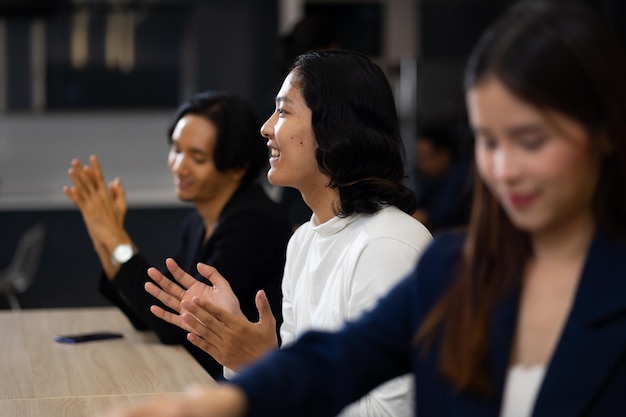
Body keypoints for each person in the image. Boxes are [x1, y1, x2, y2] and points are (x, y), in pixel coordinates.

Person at [97, 1, 626, 416]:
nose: (504, 169)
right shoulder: (452, 264)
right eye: (487, 141)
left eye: (530, 139)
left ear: (605, 134)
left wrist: (253, 362)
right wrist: (219, 390)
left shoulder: (393, 245)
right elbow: (330, 364)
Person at [141, 50, 433, 417]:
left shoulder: (387, 245)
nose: (266, 127)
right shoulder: (304, 240)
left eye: (283, 111)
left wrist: (267, 365)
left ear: (332, 129)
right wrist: (244, 355)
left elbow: (391, 414)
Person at [63, 91, 292, 379]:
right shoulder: (198, 221)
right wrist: (103, 234)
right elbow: (149, 313)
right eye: (176, 149)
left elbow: (176, 326)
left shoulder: (254, 223)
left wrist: (115, 236)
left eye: (196, 157)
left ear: (237, 167)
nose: (178, 165)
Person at [413, 122, 473, 233]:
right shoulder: (429, 177)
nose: (422, 165)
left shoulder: (462, 174)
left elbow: (443, 214)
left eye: (426, 157)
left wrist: (423, 216)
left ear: (444, 155)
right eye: (420, 158)